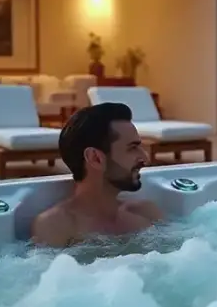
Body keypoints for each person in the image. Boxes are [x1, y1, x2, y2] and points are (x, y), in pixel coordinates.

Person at [30, 102, 163, 248]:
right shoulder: (57, 226)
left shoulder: (146, 213)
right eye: (132, 148)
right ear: (95, 158)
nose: (145, 158)